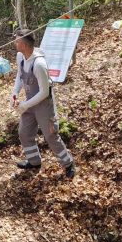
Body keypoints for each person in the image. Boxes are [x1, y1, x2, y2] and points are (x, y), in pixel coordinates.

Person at [10, 29, 75, 178]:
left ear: (24, 45)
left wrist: (25, 105)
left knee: (51, 135)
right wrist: (14, 93)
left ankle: (68, 164)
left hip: (44, 105)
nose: (15, 43)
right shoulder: (20, 56)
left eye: (17, 41)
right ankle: (34, 161)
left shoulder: (39, 64)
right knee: (24, 132)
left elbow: (44, 92)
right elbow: (20, 75)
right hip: (29, 102)